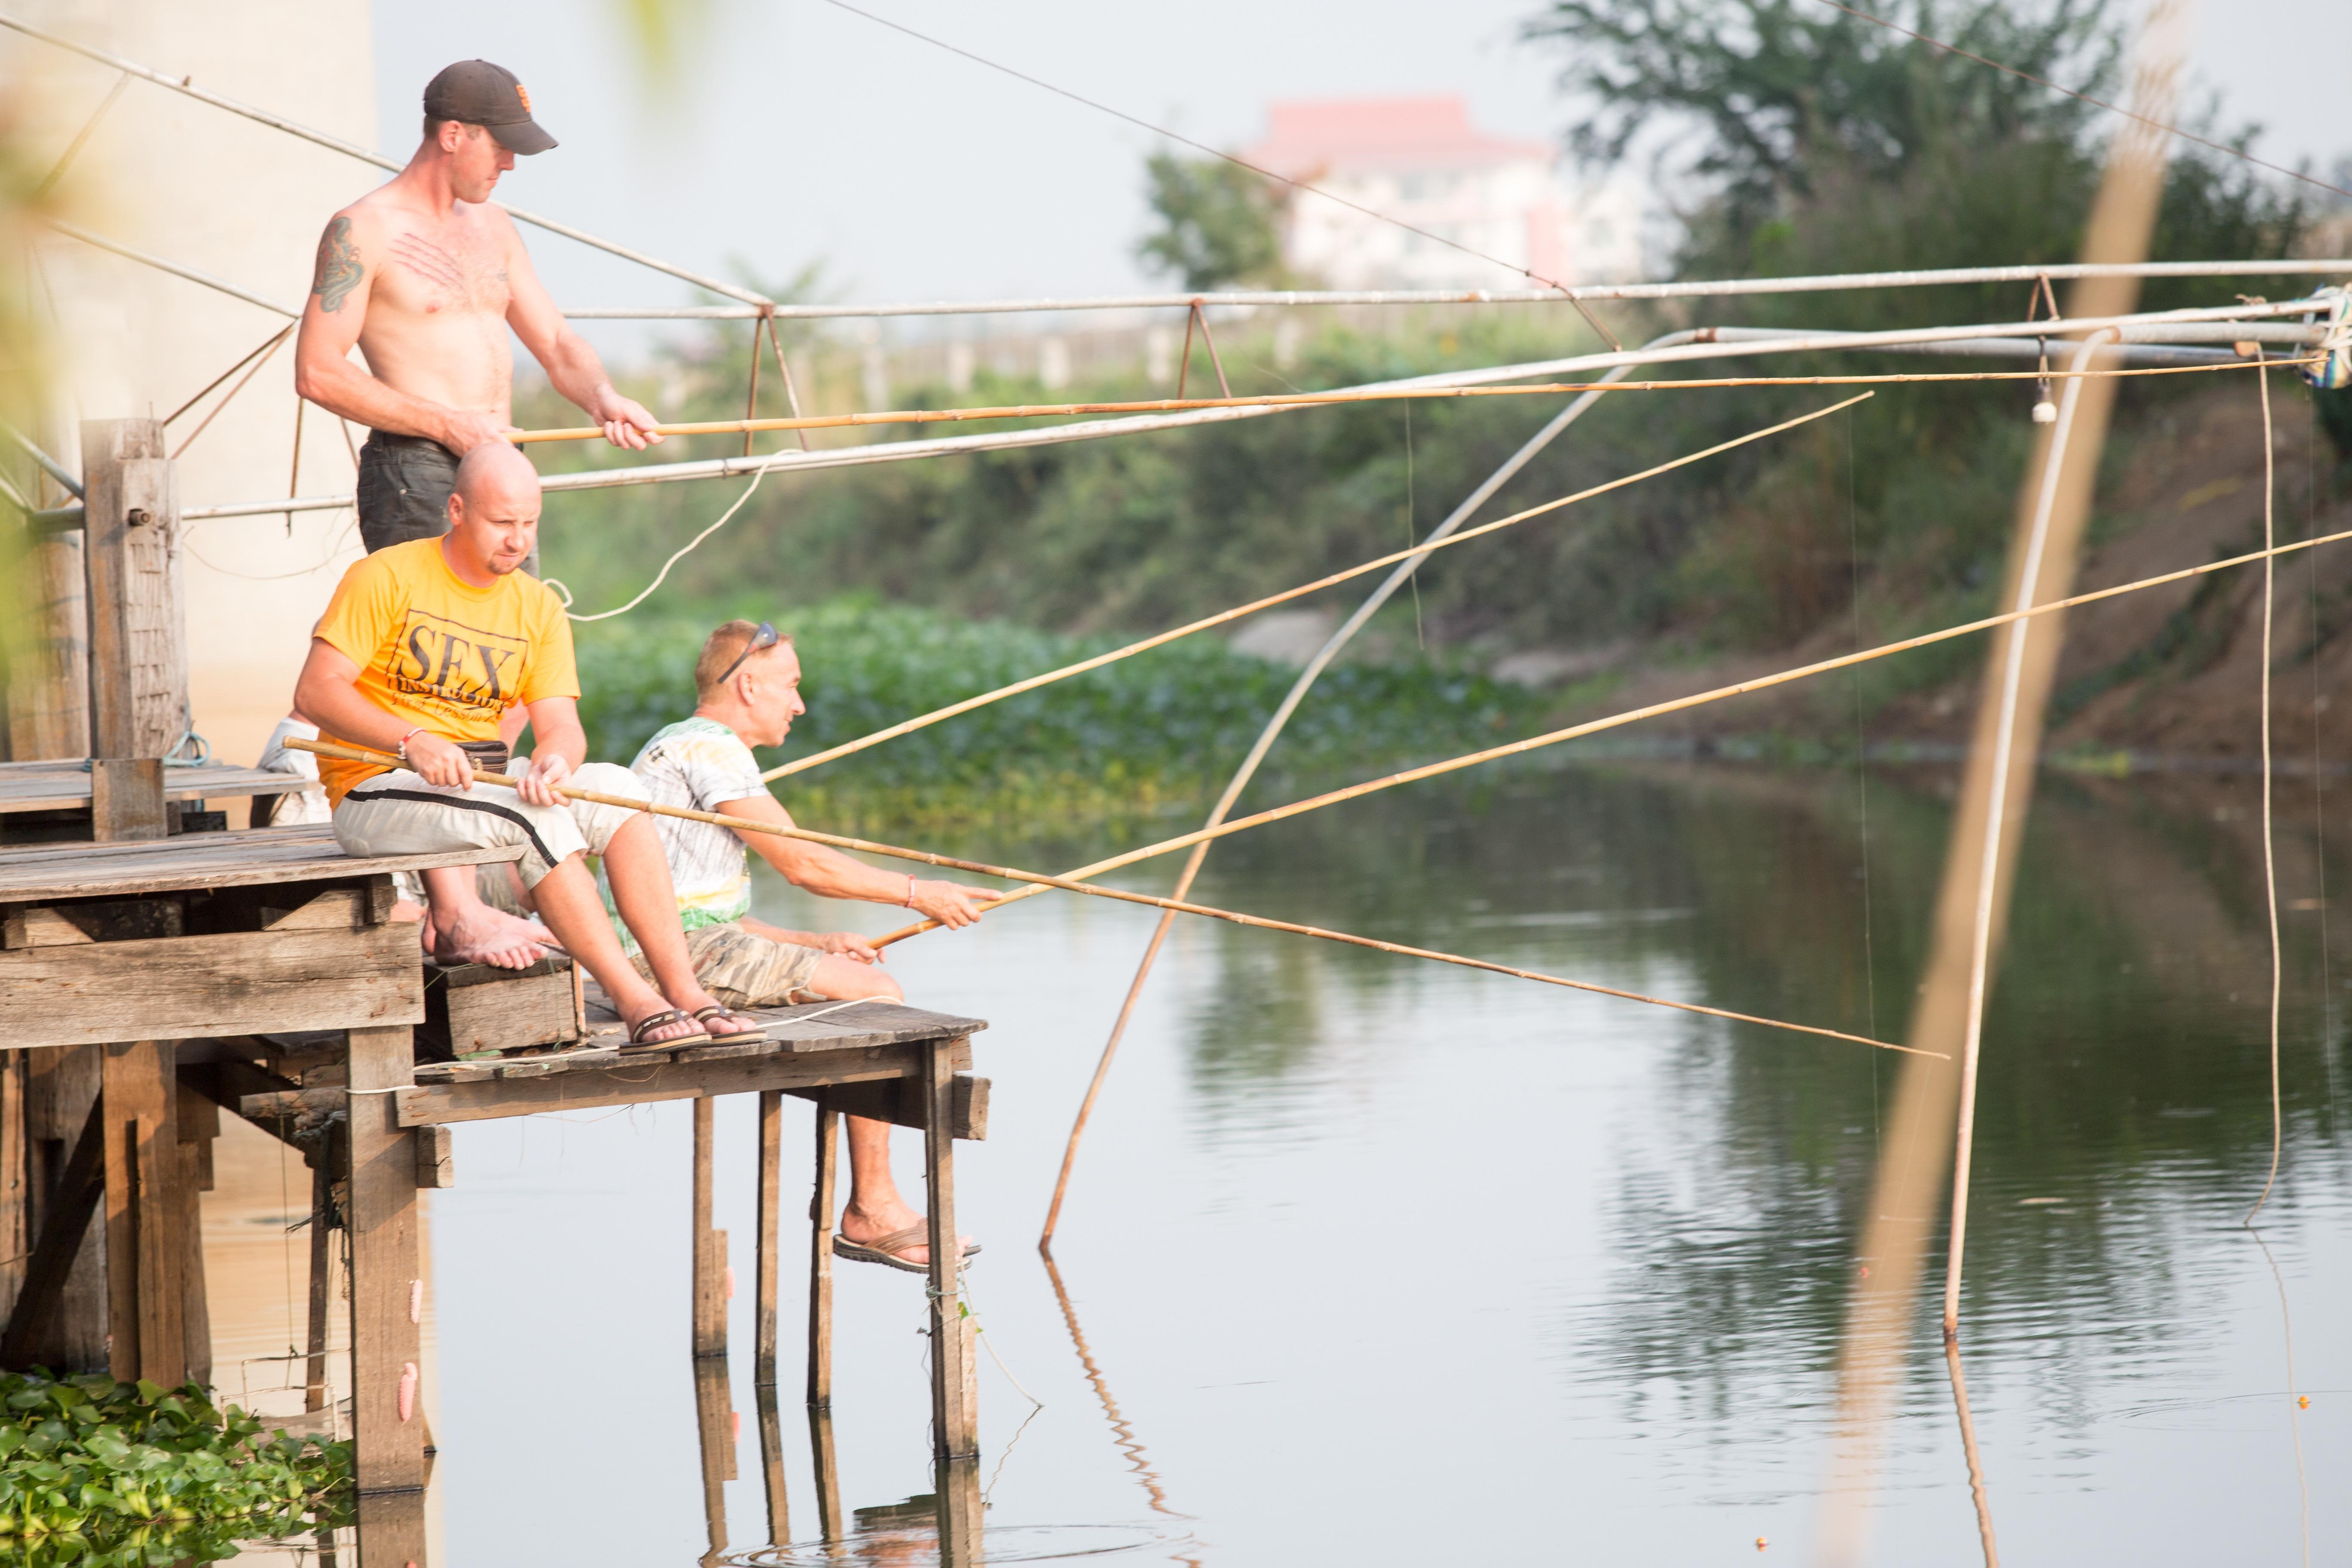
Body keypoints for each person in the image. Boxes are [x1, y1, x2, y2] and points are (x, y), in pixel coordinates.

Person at [275, 58, 662, 963]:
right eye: (502, 147)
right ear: (453, 135)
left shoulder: (496, 228)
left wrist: (602, 396)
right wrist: (446, 421)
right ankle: (454, 906)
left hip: (499, 472)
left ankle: (473, 868)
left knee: (502, 674)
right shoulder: (362, 229)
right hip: (419, 465)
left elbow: (556, 340)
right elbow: (318, 369)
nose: (511, 166)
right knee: (429, 669)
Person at [292, 443, 759, 1050]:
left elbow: (561, 723)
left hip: (476, 788)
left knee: (615, 787)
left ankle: (685, 991)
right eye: (502, 523)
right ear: (457, 510)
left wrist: (555, 760)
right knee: (529, 815)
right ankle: (633, 999)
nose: (518, 540)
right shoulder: (385, 576)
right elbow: (317, 690)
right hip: (376, 792)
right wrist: (411, 739)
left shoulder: (537, 606)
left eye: (529, 524)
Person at [622, 619, 990, 1271]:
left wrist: (816, 942)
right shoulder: (711, 749)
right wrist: (918, 892)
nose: (799, 703)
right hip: (670, 959)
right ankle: (872, 1211)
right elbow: (803, 867)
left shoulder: (685, 747)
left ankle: (874, 1205)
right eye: (791, 686)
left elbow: (704, 912)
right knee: (877, 996)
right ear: (750, 683)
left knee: (852, 973)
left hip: (682, 944)